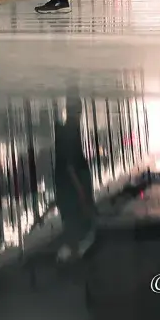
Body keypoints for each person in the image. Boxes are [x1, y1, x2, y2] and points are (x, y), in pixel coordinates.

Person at [54, 93, 97, 261]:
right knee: (70, 133)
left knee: (70, 132)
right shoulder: (80, 233)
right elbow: (79, 196)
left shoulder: (82, 234)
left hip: (72, 179)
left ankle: (71, 95)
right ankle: (71, 94)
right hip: (73, 179)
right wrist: (81, 192)